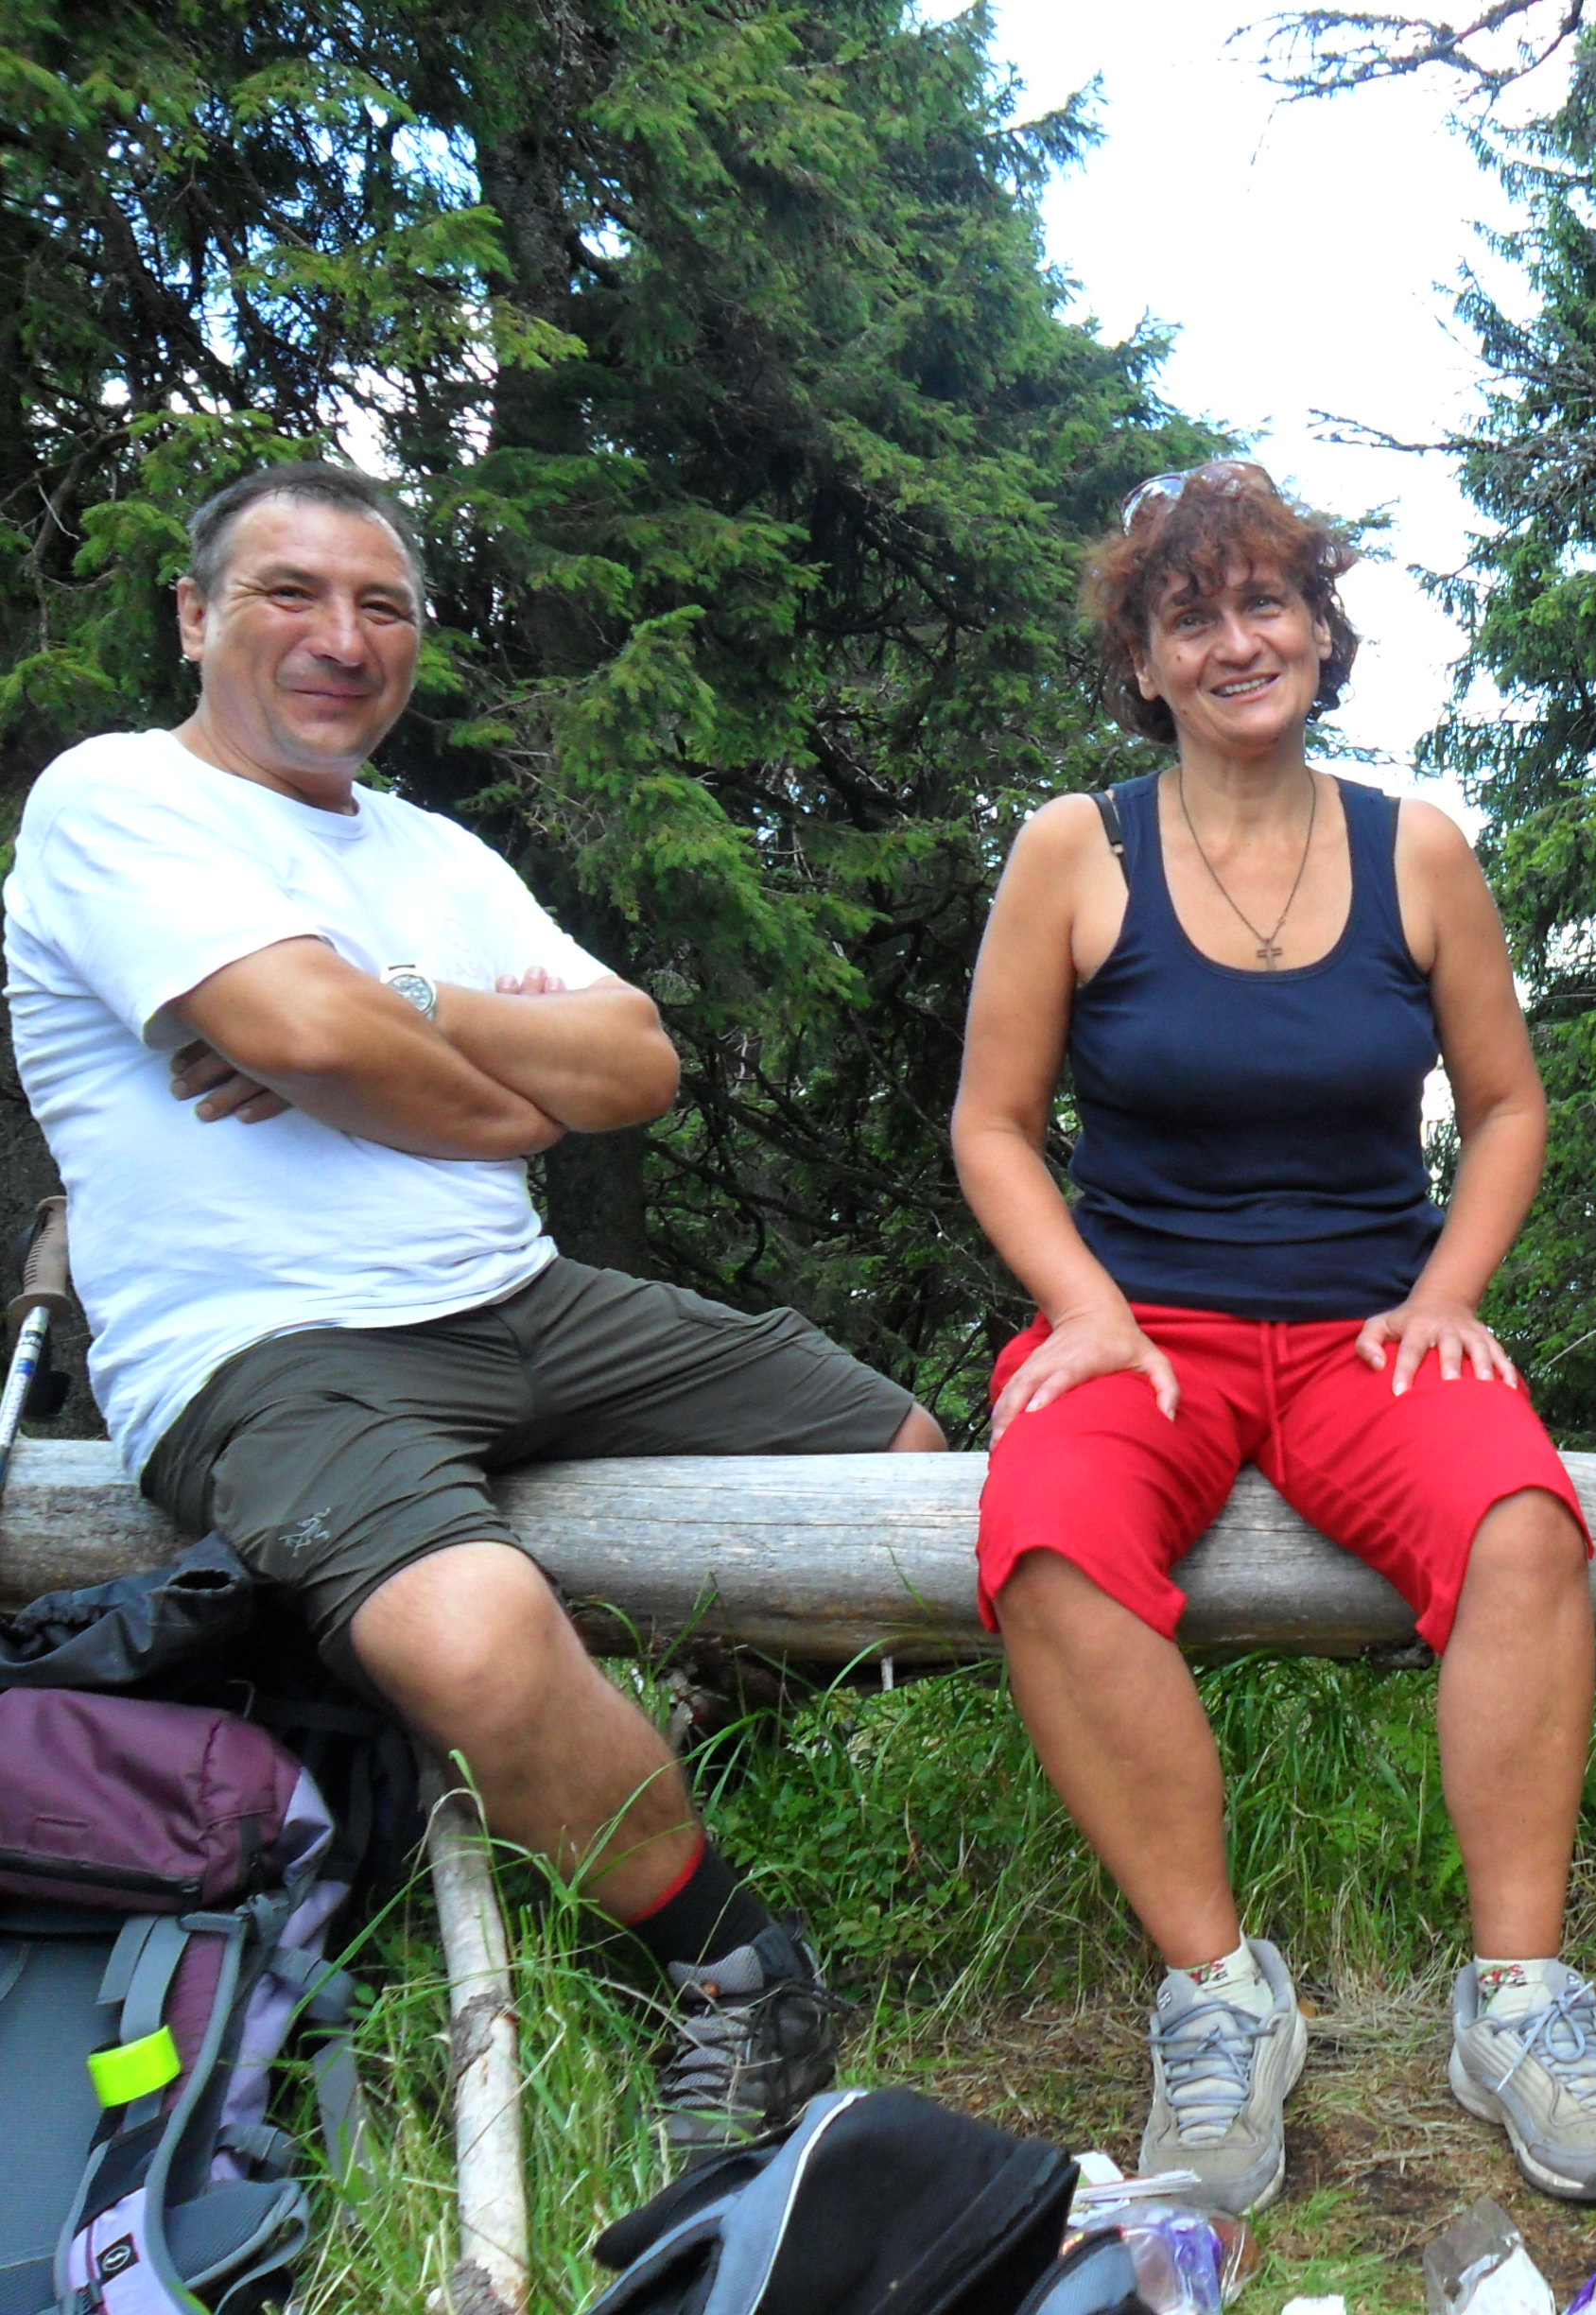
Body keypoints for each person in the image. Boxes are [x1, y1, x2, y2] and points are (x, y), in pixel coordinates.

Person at [2, 460, 949, 2151]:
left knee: (899, 1457)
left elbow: (634, 1060)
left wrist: (404, 1002)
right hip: (262, 1353)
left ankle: (660, 1742)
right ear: (194, 615)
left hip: (516, 1298)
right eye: (290, 593)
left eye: (382, 607)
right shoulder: (117, 798)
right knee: (468, 1635)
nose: (341, 637)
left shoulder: (432, 853)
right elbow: (315, 1038)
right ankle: (731, 1965)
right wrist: (487, 1089)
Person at [950, 461, 1596, 2214]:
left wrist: (1449, 1292)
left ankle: (1518, 1998)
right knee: (1045, 1540)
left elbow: (1507, 1105)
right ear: (1141, 662)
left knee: (1523, 1522)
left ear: (1322, 634)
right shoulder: (1075, 850)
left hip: (1371, 1331)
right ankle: (1219, 1994)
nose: (1234, 640)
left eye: (1265, 602)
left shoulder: (1414, 848)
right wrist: (1085, 1307)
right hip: (1144, 1331)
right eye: (1188, 615)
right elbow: (992, 1123)